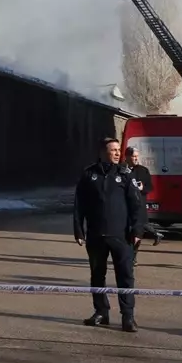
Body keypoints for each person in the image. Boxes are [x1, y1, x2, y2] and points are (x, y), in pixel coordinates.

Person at [73, 137, 145, 333]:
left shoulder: (125, 174)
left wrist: (137, 230)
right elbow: (79, 205)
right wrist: (79, 230)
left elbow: (136, 206)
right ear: (102, 152)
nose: (116, 153)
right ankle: (101, 312)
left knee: (125, 277)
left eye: (117, 150)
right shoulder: (89, 174)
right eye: (112, 150)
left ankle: (128, 317)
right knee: (97, 275)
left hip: (122, 236)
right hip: (96, 235)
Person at [123, 146, 162, 267]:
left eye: (137, 157)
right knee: (125, 233)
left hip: (139, 205)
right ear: (127, 157)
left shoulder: (143, 170)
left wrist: (142, 188)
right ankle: (126, 254)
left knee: (137, 233)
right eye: (133, 157)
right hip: (124, 206)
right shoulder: (121, 170)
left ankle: (133, 256)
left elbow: (150, 187)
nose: (136, 159)